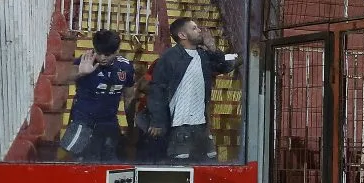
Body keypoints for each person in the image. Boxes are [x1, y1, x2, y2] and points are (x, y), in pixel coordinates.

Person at [147, 18, 241, 162]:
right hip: (180, 125)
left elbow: (228, 64)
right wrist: (157, 121)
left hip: (201, 124)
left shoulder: (204, 54)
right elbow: (157, 89)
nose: (199, 31)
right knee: (182, 165)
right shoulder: (170, 57)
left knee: (209, 164)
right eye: (194, 28)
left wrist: (213, 48)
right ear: (182, 35)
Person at [60, 30, 135, 163]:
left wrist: (130, 126)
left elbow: (129, 97)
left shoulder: (126, 67)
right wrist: (80, 73)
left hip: (108, 121)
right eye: (99, 53)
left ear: (117, 51)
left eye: (107, 54)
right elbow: (63, 78)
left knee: (113, 161)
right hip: (83, 120)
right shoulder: (86, 61)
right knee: (71, 156)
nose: (102, 58)